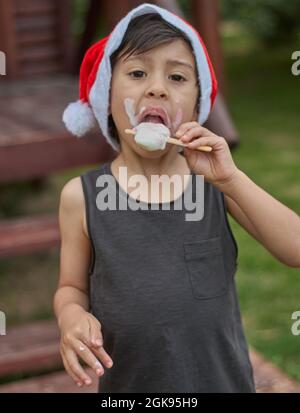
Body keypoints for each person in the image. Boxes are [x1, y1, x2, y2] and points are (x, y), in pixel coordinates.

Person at [53, 3, 300, 393]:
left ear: (198, 104)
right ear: (106, 96)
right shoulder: (80, 197)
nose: (157, 87)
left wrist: (232, 179)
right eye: (137, 73)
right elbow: (71, 287)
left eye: (178, 77)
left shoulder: (216, 183)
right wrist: (70, 316)